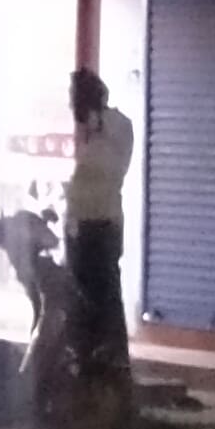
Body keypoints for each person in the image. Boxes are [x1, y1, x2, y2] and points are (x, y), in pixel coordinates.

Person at [61, 71, 131, 353]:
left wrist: (97, 125)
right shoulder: (90, 132)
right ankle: (88, 360)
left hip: (101, 224)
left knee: (105, 296)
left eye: (73, 97)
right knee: (84, 297)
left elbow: (110, 171)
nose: (69, 105)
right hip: (83, 223)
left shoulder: (113, 126)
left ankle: (111, 361)